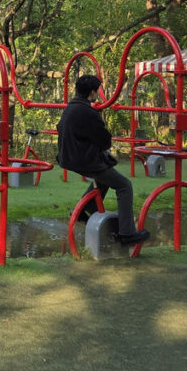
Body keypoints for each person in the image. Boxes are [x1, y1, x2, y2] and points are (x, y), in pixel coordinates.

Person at [56, 75, 150, 246]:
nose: (98, 95)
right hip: (83, 160)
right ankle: (127, 233)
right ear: (91, 92)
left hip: (68, 158)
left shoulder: (70, 107)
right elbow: (105, 140)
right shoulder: (88, 112)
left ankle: (82, 211)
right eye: (97, 91)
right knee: (124, 186)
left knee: (104, 179)